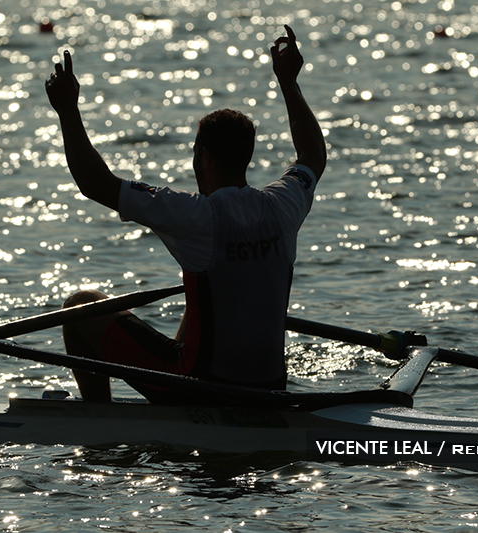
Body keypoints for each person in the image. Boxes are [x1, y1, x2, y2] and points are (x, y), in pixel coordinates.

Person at [45, 25, 326, 402]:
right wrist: (289, 82)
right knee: (206, 296)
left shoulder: (196, 215)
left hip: (196, 387)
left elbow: (95, 184)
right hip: (270, 388)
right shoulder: (283, 204)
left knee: (80, 306)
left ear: (204, 157)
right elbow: (313, 154)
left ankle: (100, 420)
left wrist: (67, 111)